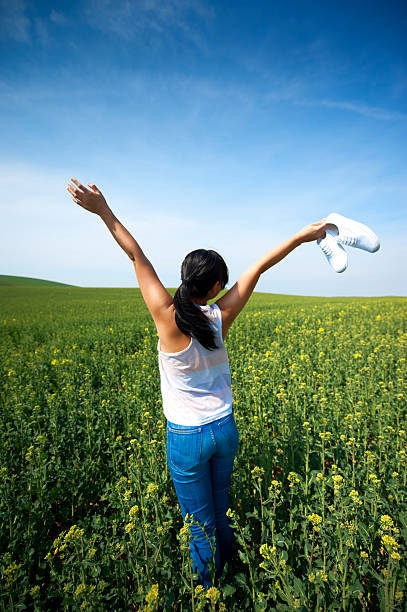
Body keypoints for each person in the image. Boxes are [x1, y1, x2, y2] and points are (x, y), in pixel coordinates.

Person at [67, 178, 327, 587]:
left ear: (184, 277)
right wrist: (301, 235)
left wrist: (103, 210)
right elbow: (257, 267)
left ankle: (209, 591)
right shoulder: (219, 318)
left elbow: (135, 254)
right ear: (215, 288)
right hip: (224, 429)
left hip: (187, 437)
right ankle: (231, 575)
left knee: (199, 522)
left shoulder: (164, 316)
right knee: (220, 508)